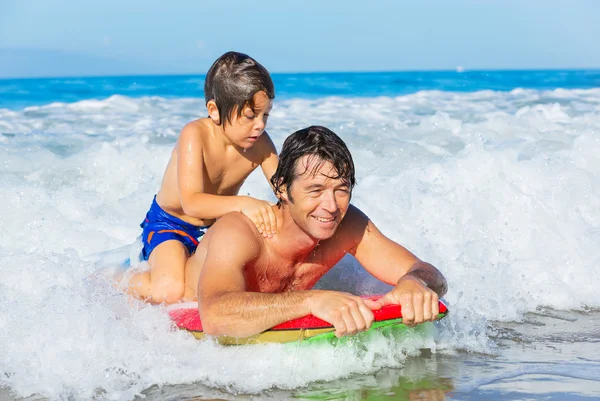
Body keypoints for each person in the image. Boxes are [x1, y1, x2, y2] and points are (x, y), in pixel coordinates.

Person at [182, 125, 448, 338]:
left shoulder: (348, 224)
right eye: (315, 190)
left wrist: (415, 283)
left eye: (341, 190)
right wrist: (311, 301)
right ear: (282, 189)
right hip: (179, 303)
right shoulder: (239, 232)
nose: (331, 206)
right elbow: (214, 317)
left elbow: (430, 273)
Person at [125, 51, 279, 304]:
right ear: (214, 110)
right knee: (170, 291)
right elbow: (192, 203)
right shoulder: (195, 135)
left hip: (214, 230)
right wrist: (245, 204)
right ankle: (120, 279)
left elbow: (286, 190)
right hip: (171, 225)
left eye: (266, 116)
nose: (260, 125)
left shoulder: (260, 145)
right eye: (251, 116)